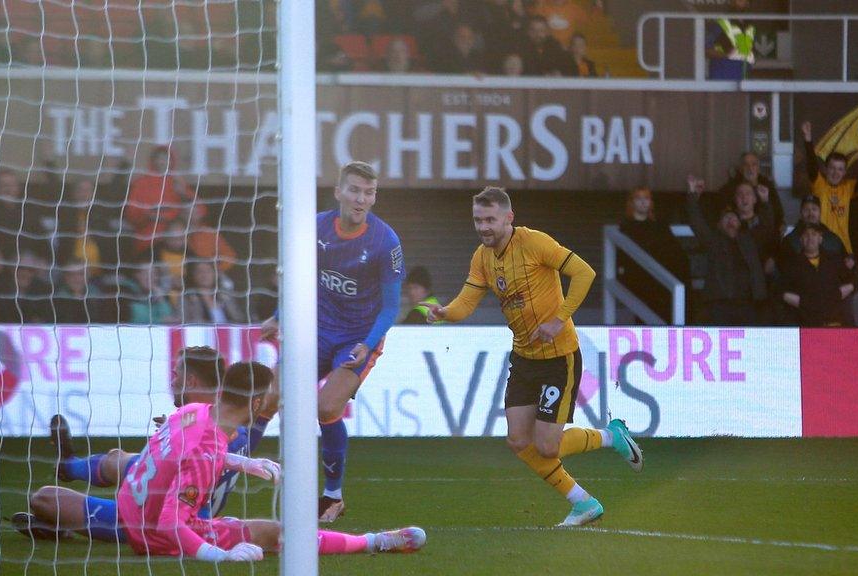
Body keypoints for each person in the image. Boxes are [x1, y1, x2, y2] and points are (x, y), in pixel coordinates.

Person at [12, 349, 426, 560]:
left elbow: (194, 455)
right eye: (268, 399)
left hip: (129, 507)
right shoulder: (205, 452)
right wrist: (219, 554)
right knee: (275, 533)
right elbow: (172, 523)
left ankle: (66, 519)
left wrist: (243, 462)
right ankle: (373, 542)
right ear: (257, 401)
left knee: (45, 497)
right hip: (156, 529)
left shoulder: (194, 412)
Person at [425, 187, 642, 527]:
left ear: (508, 218)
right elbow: (467, 300)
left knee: (546, 446)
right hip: (524, 358)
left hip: (559, 356)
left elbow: (584, 273)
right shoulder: (481, 257)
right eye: (478, 220)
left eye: (490, 220)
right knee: (517, 440)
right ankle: (582, 502)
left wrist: (559, 319)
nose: (483, 227)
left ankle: (612, 436)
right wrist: (445, 313)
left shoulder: (535, 242)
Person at [261, 161, 404, 523]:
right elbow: (296, 276)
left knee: (326, 407)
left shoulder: (386, 242)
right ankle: (224, 476)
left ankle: (332, 495)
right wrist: (279, 315)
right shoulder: (315, 227)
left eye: (368, 193)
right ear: (339, 191)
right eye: (354, 190)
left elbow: (391, 309)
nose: (361, 199)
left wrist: (367, 344)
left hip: (357, 337)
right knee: (268, 398)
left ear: (374, 197)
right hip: (314, 329)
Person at [46, 350, 277, 519]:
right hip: (172, 494)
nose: (172, 381)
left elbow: (207, 454)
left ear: (191, 381)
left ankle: (62, 521)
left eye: (176, 375)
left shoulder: (219, 429)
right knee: (119, 457)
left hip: (176, 510)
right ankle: (68, 466)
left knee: (45, 499)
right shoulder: (231, 421)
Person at [686, 176, 767, 326]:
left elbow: (767, 226)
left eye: (734, 218)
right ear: (718, 225)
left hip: (748, 304)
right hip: (720, 304)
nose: (730, 221)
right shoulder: (713, 241)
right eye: (726, 218)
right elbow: (696, 221)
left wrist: (765, 202)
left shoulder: (750, 240)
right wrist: (692, 195)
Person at [617, 187, 690, 324]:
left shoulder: (660, 226)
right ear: (632, 202)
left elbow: (673, 251)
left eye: (646, 198)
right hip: (639, 282)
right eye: (639, 198)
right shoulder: (625, 227)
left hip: (661, 283)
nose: (643, 202)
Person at [780, 223, 855, 326]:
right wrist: (803, 303)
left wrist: (836, 295)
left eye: (814, 234)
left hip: (834, 323)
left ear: (820, 239)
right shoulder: (792, 264)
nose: (810, 237)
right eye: (806, 235)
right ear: (801, 240)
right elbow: (781, 292)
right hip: (804, 325)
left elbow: (853, 282)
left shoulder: (834, 260)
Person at [800, 120, 857, 254]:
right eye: (832, 168)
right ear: (825, 169)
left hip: (844, 249)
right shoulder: (820, 185)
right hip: (821, 247)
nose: (835, 173)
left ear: (845, 172)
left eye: (840, 169)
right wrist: (808, 140)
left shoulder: (850, 187)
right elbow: (812, 166)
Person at [705, 0, 754, 80]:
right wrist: (728, 55)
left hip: (743, 79)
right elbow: (705, 50)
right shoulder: (720, 23)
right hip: (722, 78)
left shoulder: (750, 25)